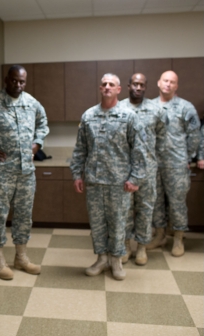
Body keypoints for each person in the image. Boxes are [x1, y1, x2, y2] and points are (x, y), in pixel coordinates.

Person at [70, 73, 147, 281]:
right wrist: (77, 174)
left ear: (118, 89)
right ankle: (101, 258)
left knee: (118, 223)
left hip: (119, 182)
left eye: (111, 84)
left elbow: (139, 150)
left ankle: (116, 261)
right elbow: (80, 149)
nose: (107, 87)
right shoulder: (88, 116)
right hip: (94, 181)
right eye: (103, 84)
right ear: (100, 88)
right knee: (97, 223)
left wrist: (135, 178)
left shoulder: (129, 116)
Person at [0, 65, 49, 280]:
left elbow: (43, 124)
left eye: (22, 82)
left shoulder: (31, 102)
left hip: (26, 172)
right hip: (1, 172)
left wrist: (37, 144)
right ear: (6, 79)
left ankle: (21, 257)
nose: (18, 85)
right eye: (14, 81)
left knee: (24, 215)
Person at [147, 71, 201, 256]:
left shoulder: (187, 107)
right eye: (165, 81)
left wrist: (188, 156)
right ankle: (159, 235)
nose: (168, 84)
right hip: (154, 164)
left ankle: (178, 238)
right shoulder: (150, 106)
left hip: (176, 164)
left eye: (172, 82)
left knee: (177, 203)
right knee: (155, 202)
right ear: (158, 82)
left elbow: (195, 134)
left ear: (176, 86)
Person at [119, 73, 167, 266]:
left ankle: (140, 248)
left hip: (147, 171)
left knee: (145, 210)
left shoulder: (156, 110)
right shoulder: (119, 108)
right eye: (134, 84)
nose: (138, 88)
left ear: (146, 87)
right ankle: (125, 246)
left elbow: (162, 138)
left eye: (141, 85)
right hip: (124, 170)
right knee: (125, 210)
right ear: (128, 85)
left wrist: (152, 159)